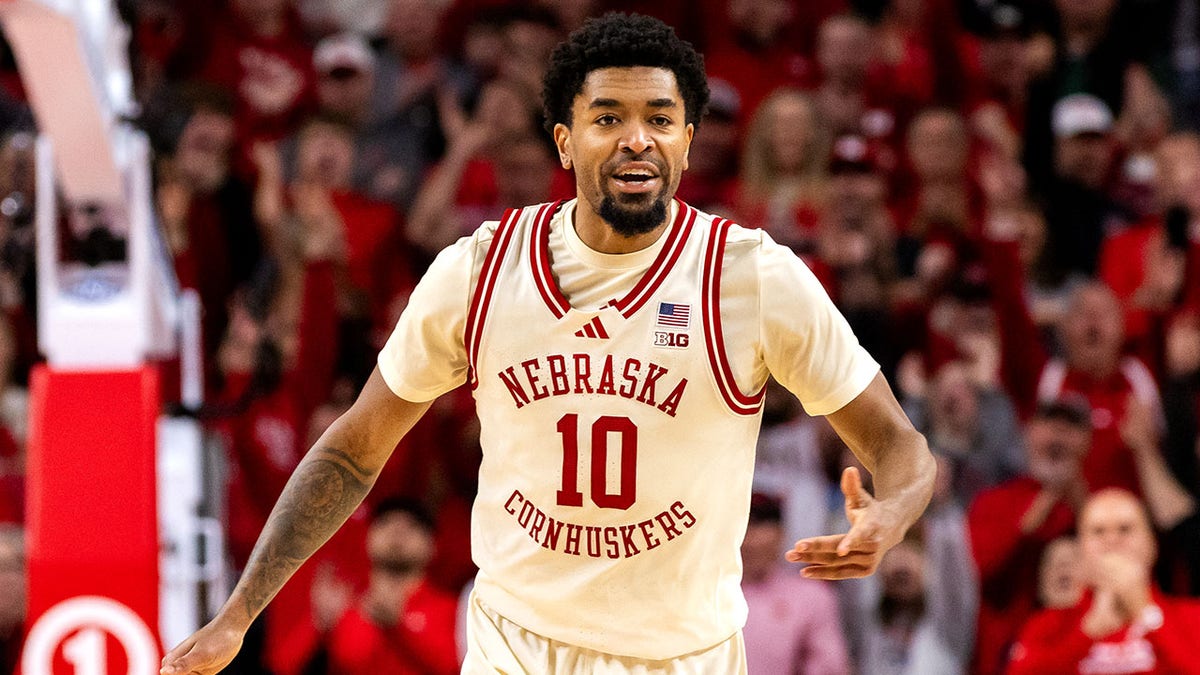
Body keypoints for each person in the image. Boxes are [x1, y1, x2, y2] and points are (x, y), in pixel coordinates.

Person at [161, 14, 936, 674]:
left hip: (682, 653)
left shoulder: (755, 278)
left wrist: (891, 514)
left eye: (660, 119)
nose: (637, 139)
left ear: (689, 141)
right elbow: (352, 450)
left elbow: (900, 446)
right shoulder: (480, 268)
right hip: (516, 645)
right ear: (565, 140)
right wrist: (239, 612)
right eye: (609, 118)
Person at [1005, 489, 1200, 674]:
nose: (1112, 540)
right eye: (1098, 531)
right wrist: (1087, 634)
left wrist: (1147, 613)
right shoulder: (1048, 626)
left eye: (1125, 529)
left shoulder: (1191, 617)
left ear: (1152, 545)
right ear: (1081, 550)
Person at [740, 493, 851, 675]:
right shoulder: (702, 591)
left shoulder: (810, 595)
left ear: (780, 533)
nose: (748, 539)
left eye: (757, 526)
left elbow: (829, 667)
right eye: (742, 527)